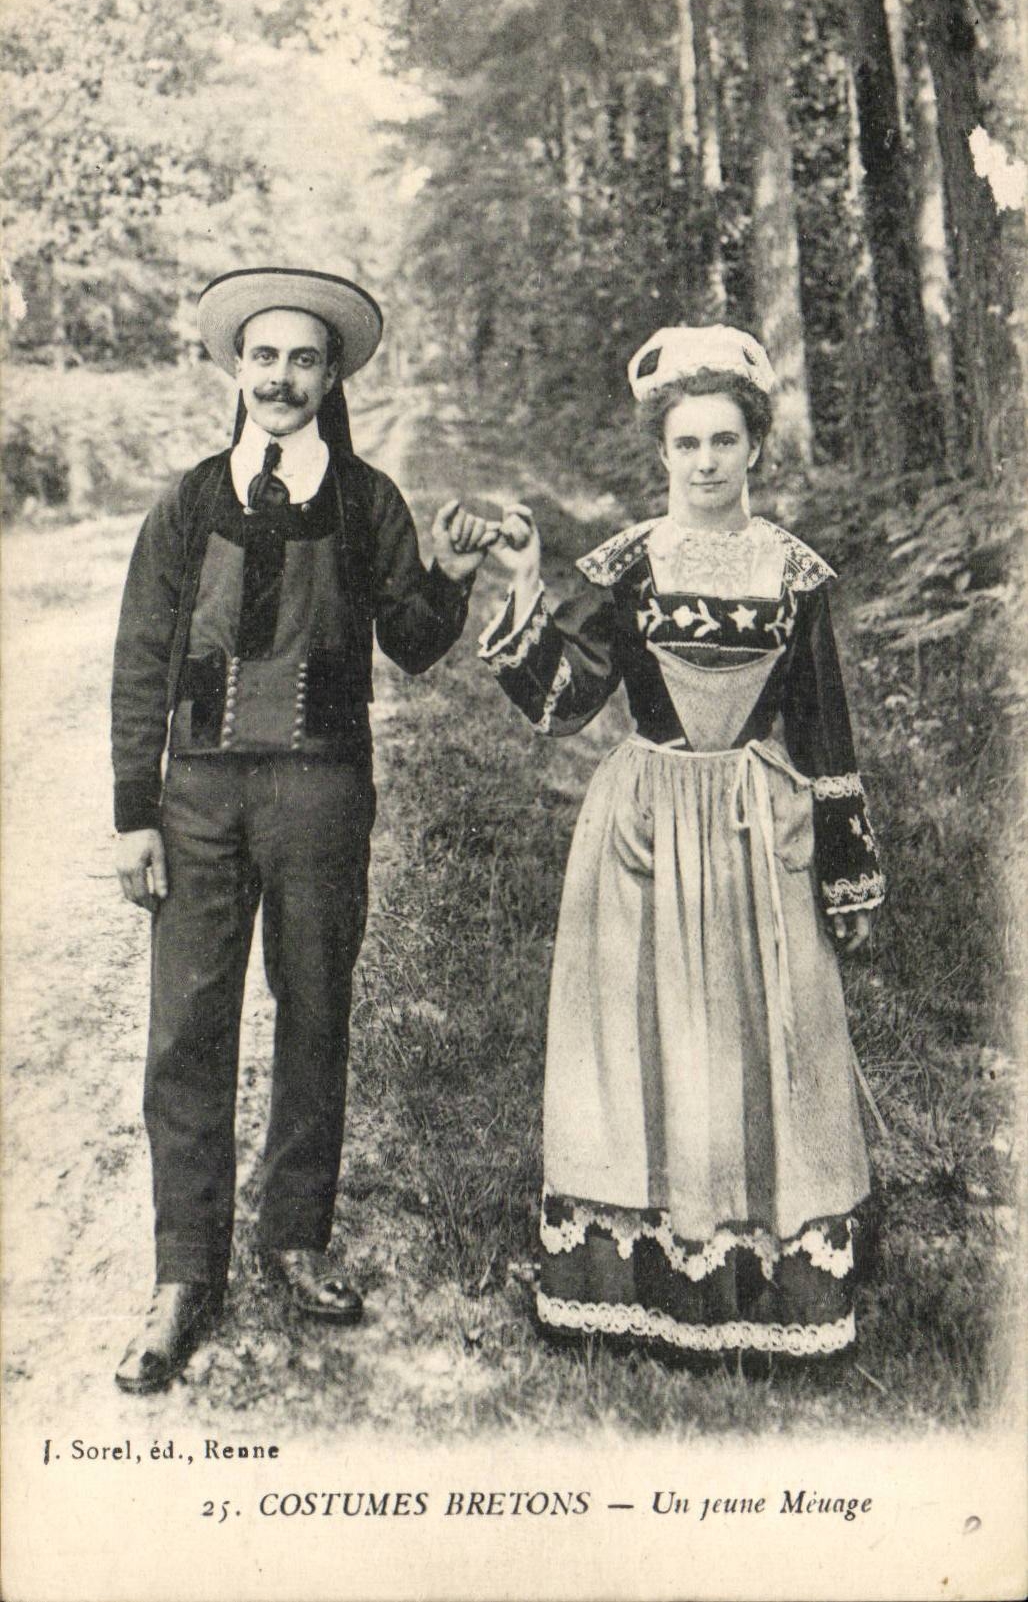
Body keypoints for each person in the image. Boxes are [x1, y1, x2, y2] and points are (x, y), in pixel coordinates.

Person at [111, 267, 496, 1393]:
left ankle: (294, 1236)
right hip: (200, 798)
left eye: (303, 361)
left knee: (315, 1007)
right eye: (263, 358)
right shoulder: (187, 501)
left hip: (323, 791)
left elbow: (416, 640)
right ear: (237, 369)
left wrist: (455, 575)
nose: (281, 379)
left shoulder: (369, 500)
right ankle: (184, 1269)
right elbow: (140, 663)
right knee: (185, 1026)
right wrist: (136, 813)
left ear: (332, 378)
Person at [480, 325, 885, 1362]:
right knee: (637, 1032)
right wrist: (522, 581)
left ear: (754, 445)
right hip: (645, 825)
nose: (703, 462)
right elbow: (561, 705)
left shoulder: (794, 574)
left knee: (771, 1028)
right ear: (659, 454)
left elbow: (825, 729)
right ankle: (637, 1266)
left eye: (721, 440)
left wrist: (841, 861)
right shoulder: (628, 567)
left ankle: (768, 1276)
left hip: (755, 824)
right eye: (683, 444)